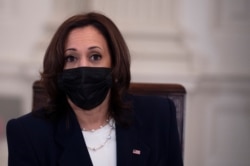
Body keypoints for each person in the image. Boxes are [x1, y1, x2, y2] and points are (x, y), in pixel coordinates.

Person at [6, 12, 183, 166]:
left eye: (95, 56)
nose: (83, 67)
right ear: (59, 69)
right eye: (71, 58)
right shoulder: (27, 133)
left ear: (114, 65)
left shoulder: (159, 117)